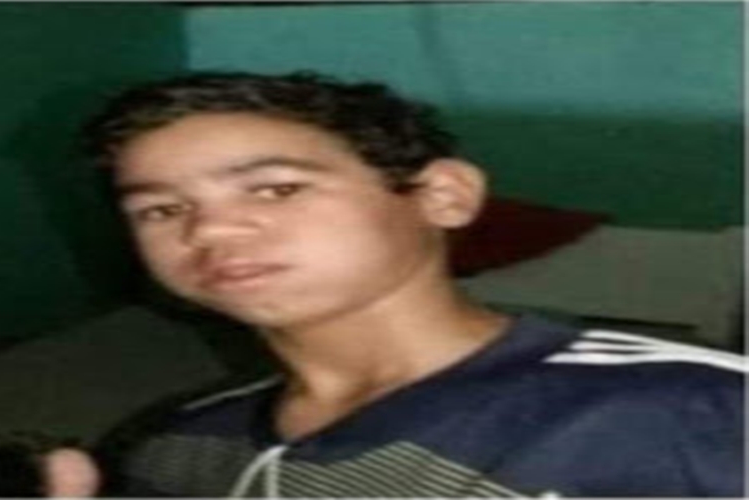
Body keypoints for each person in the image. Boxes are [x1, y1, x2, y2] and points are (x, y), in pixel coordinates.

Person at [45, 71, 745, 497]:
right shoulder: (173, 444)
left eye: (276, 189)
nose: (210, 231)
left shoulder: (690, 411)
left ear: (443, 195)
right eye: (161, 210)